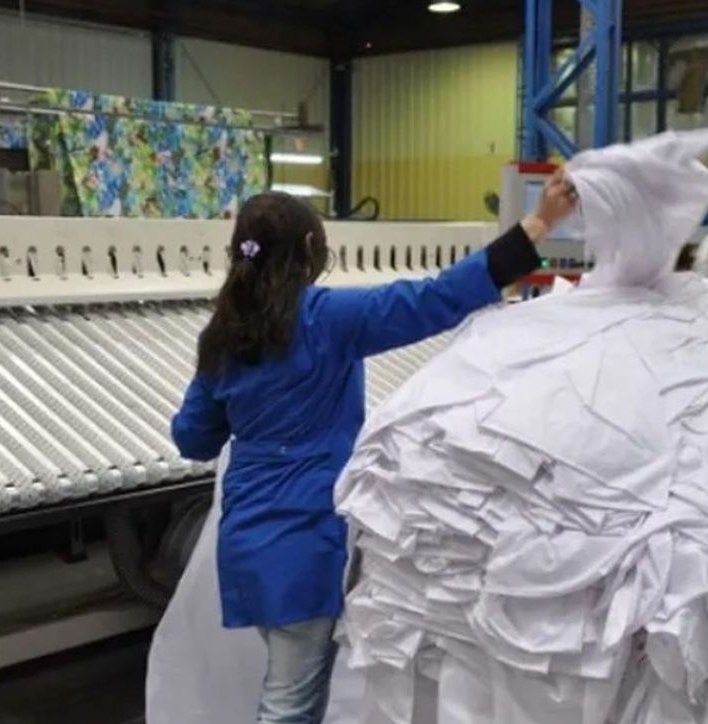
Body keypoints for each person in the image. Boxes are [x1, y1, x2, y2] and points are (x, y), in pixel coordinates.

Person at [170, 173, 578, 724]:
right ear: (311, 251)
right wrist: (540, 224)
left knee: (293, 688)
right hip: (304, 539)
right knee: (289, 704)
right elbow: (437, 298)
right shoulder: (325, 320)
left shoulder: (223, 334)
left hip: (246, 541)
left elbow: (193, 439)